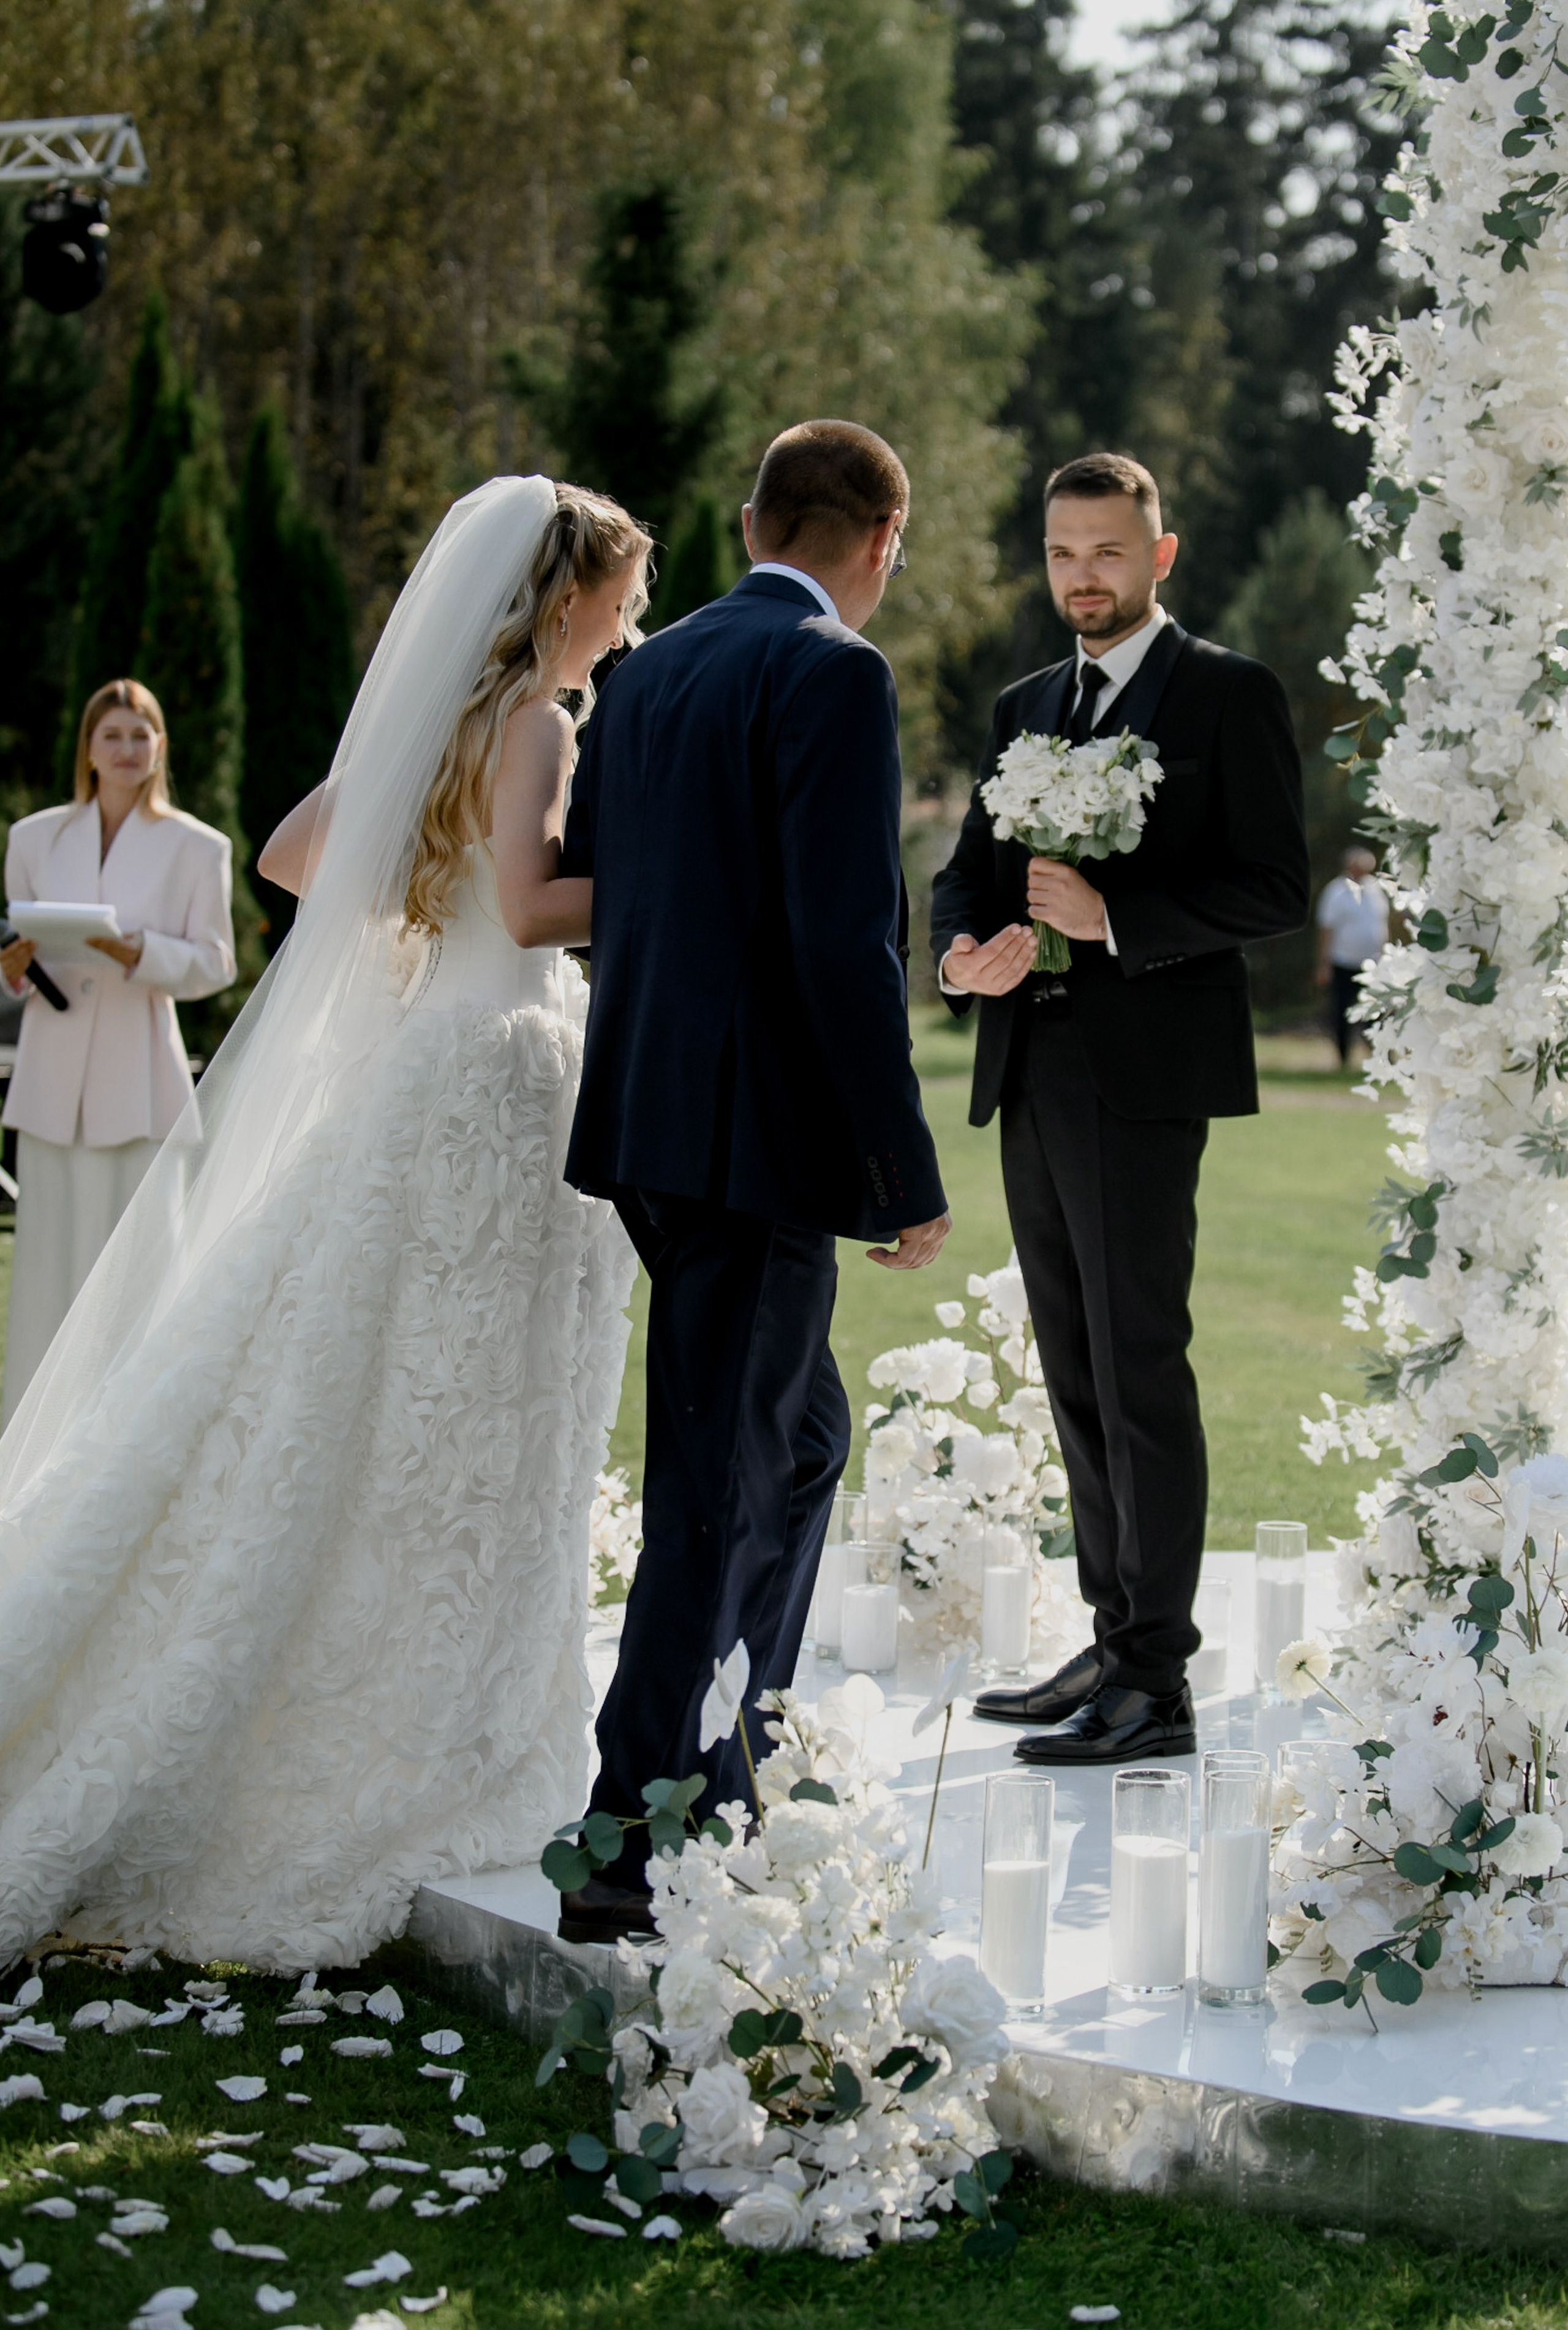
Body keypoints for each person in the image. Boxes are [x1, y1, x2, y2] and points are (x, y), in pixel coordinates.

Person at [0, 477, 647, 1970]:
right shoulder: (541, 720)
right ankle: (437, 1732)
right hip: (504, 1073)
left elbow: (300, 856)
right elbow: (538, 902)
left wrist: (415, 911)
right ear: (564, 599)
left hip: (430, 1062)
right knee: (468, 1421)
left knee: (369, 1394)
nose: (630, 619)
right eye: (620, 591)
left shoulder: (441, 718)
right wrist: (675, 880)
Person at [558, 418, 949, 1943]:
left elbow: (605, 891)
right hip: (759, 1145)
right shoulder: (831, 673)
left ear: (749, 521)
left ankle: (735, 1754)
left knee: (794, 1445)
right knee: (719, 1485)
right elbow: (841, 948)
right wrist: (897, 1175)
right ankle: (628, 1835)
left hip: (653, 1128)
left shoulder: (644, 676)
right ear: (879, 536)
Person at [930, 452, 1308, 1765]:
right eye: (1059, 552)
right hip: (1028, 1070)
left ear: (1157, 555)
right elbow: (963, 873)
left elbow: (1272, 887)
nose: (1080, 574)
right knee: (1075, 1367)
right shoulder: (1024, 702)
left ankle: (1157, 1679)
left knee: (1137, 1360)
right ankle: (1111, 1635)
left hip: (1144, 1083)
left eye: (1105, 550)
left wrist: (1117, 921)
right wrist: (958, 954)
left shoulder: (1224, 695)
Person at [0, 679, 236, 1424]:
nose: (128, 748)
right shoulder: (34, 839)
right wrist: (12, 969)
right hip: (49, 1085)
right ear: (90, 749)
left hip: (141, 1087)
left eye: (142, 734)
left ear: (160, 746)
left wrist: (138, 949)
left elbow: (217, 963)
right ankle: (32, 1439)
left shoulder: (200, 846)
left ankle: (131, 1435)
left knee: (136, 1275)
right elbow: (16, 961)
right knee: (43, 1273)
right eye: (114, 735)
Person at [1316, 845, 1387, 1065]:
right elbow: (1326, 929)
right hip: (1343, 961)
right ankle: (1343, 1058)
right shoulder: (1335, 891)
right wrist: (1324, 964)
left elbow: (1382, 925)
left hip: (1373, 962)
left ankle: (1379, 1056)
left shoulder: (1376, 890)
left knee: (1376, 1012)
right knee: (1343, 1011)